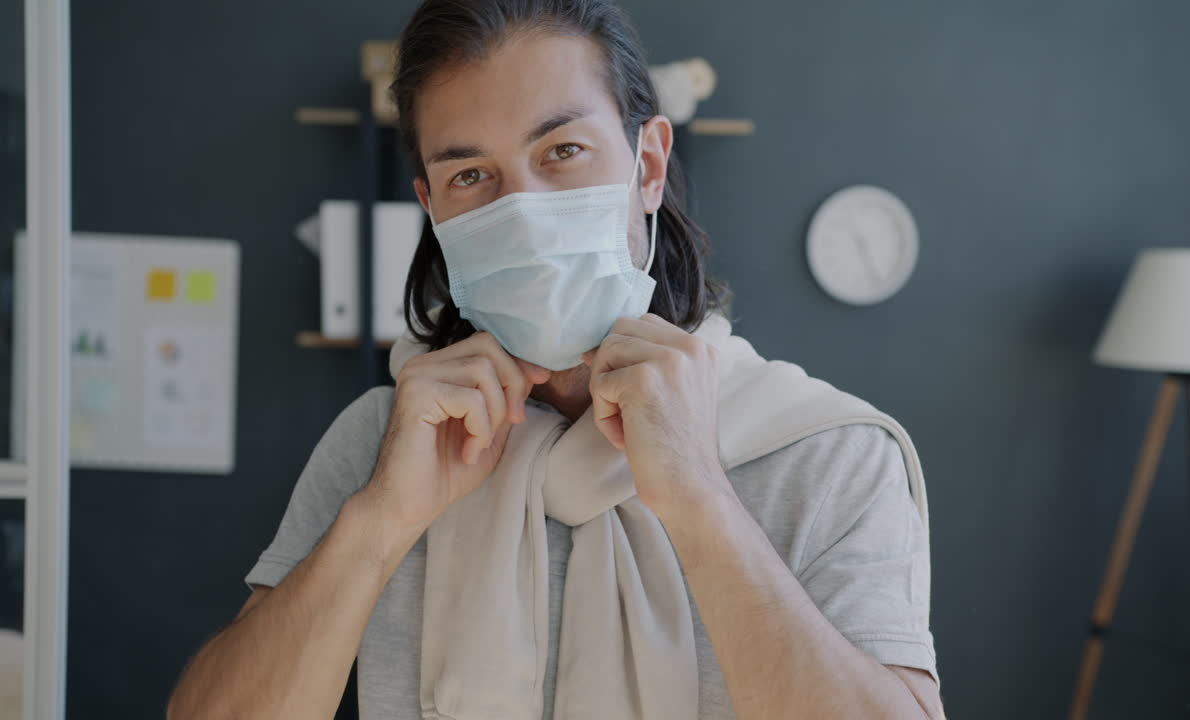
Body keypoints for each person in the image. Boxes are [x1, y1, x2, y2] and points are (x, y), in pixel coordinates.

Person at [167, 0, 943, 718]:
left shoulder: (828, 454)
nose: (524, 215)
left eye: (563, 150)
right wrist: (381, 521)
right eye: (471, 175)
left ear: (647, 165)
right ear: (432, 209)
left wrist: (702, 497)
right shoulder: (385, 441)